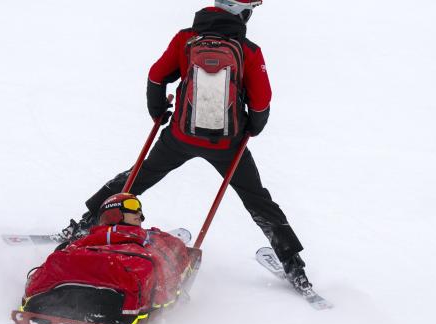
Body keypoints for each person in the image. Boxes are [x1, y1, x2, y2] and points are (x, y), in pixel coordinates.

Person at [62, 0, 312, 294]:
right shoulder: (249, 50)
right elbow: (261, 101)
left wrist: (157, 111)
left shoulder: (185, 38)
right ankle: (293, 266)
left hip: (180, 137)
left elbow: (157, 75)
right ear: (240, 13)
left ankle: (85, 223)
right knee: (258, 200)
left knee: (137, 177)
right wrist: (253, 127)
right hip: (227, 144)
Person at [23, 193, 192, 324]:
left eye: (140, 210)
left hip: (50, 296)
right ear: (113, 212)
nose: (140, 214)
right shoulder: (152, 239)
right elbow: (177, 261)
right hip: (120, 302)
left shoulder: (83, 240)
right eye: (134, 206)